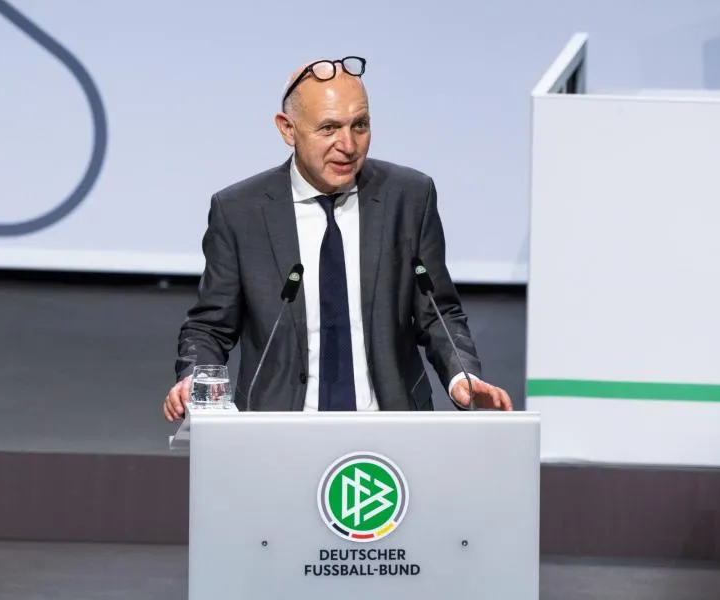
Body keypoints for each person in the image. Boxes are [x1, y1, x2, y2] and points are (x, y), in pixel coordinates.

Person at [163, 56, 512, 420]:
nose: (348, 145)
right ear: (287, 129)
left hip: (389, 424)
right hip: (279, 426)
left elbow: (438, 313)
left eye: (359, 125)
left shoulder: (409, 197)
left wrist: (462, 375)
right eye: (329, 128)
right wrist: (193, 379)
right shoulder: (240, 210)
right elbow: (210, 327)